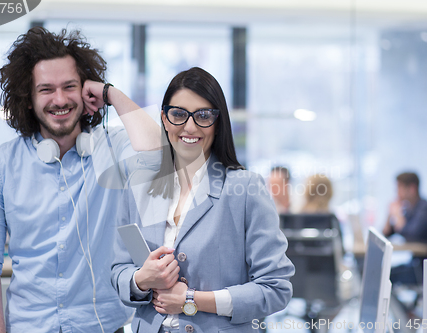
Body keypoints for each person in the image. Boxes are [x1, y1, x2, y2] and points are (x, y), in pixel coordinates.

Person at [0, 27, 160, 333]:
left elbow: (162, 153)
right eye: (45, 89)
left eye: (69, 86)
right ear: (28, 99)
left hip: (104, 327)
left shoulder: (113, 149)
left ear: (86, 92)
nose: (59, 99)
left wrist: (111, 93)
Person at [111, 67, 295, 333]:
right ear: (164, 118)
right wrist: (141, 279)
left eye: (203, 116)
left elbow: (275, 288)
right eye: (178, 114)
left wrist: (191, 301)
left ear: (218, 122)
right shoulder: (138, 187)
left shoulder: (245, 190)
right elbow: (118, 269)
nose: (189, 127)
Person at [383, 172, 427, 258]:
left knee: (391, 271)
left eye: (400, 188)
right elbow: (386, 234)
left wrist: (397, 215)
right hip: (419, 263)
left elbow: (411, 236)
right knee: (386, 270)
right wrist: (389, 214)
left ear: (412, 189)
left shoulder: (426, 209)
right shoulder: (410, 209)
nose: (397, 192)